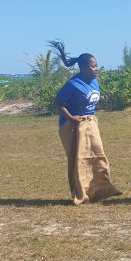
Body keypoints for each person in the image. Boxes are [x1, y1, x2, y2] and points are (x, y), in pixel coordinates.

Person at [49, 39, 122, 204]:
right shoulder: (73, 84)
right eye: (93, 66)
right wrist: (72, 118)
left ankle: (101, 189)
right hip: (73, 125)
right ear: (83, 68)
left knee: (97, 156)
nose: (97, 69)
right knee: (78, 159)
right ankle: (81, 193)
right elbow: (58, 104)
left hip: (90, 123)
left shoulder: (94, 81)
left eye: (97, 66)